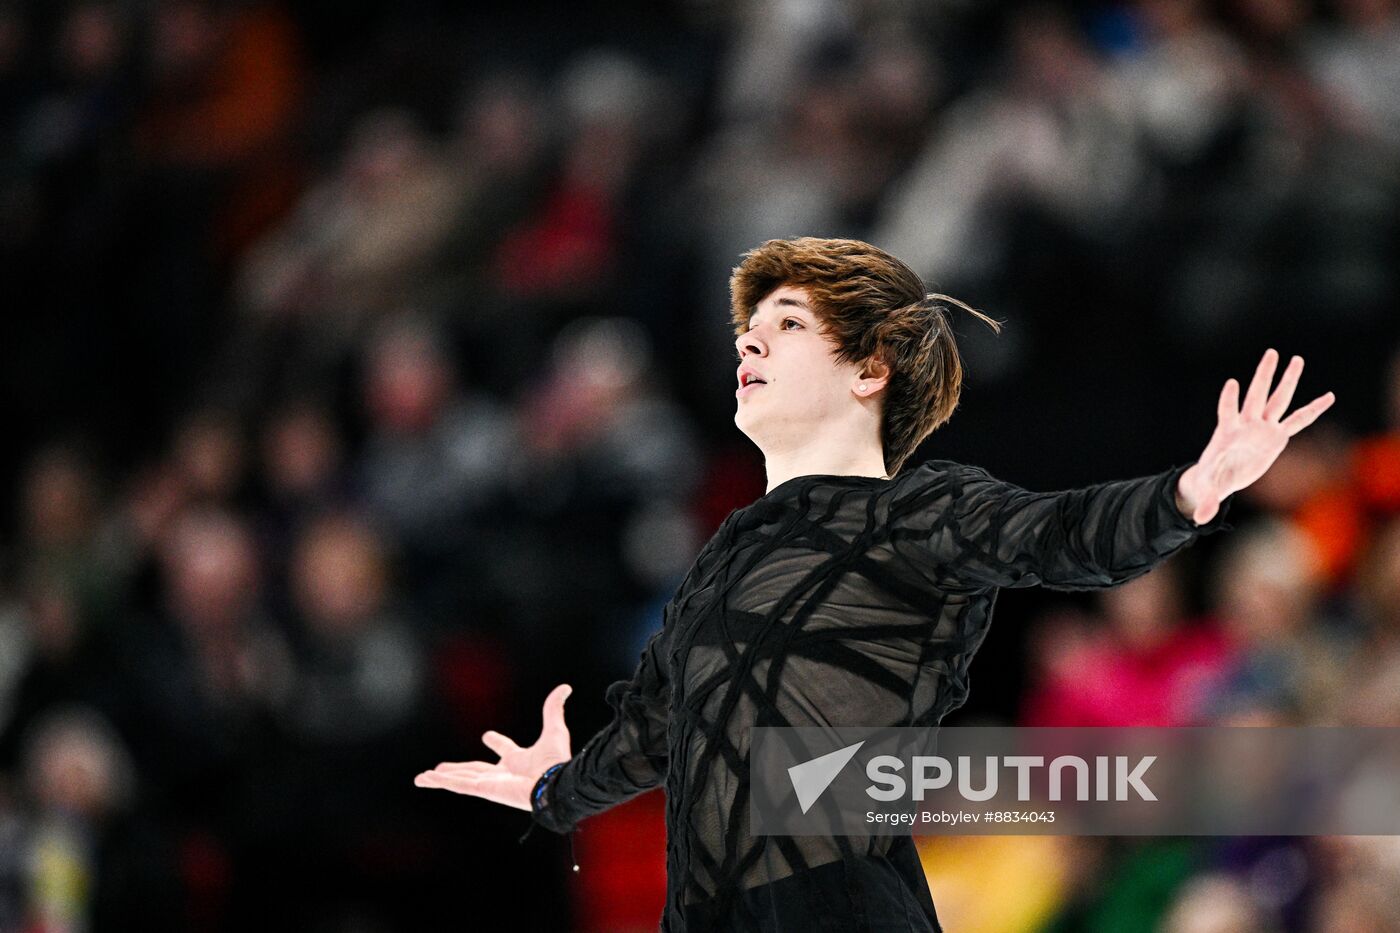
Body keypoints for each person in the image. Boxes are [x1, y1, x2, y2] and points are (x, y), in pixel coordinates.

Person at [412, 237, 1336, 931]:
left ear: (868, 370)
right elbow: (660, 730)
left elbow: (1060, 534)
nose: (751, 342)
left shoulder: (921, 512)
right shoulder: (723, 558)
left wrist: (1189, 491)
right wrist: (556, 790)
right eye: (746, 328)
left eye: (786, 324)